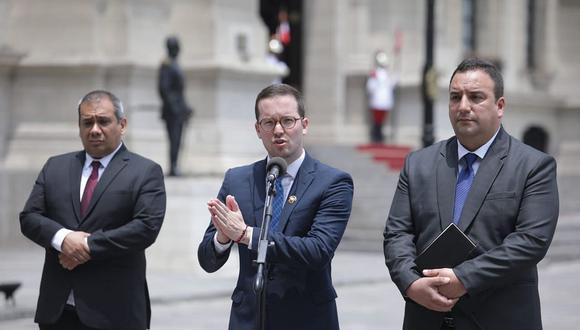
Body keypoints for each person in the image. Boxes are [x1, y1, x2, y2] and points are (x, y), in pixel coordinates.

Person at [383, 58, 559, 330]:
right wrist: (411, 282)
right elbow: (397, 233)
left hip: (499, 319)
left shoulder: (533, 166)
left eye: (476, 97)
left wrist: (464, 278)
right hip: (426, 318)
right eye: (455, 97)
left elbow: (531, 240)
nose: (463, 106)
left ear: (499, 106)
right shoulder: (418, 164)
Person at [197, 83, 354, 330]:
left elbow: (318, 250)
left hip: (306, 318)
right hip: (248, 318)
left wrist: (247, 235)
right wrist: (222, 237)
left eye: (288, 121)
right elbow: (207, 260)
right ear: (258, 129)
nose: (278, 130)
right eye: (269, 123)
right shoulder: (237, 180)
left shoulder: (332, 182)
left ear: (305, 124)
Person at [20, 90, 166, 330]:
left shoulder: (145, 171)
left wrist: (87, 246)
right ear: (79, 127)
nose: (95, 129)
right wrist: (63, 239)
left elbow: (145, 228)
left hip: (116, 312)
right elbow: (30, 218)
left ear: (122, 124)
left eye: (103, 121)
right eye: (87, 122)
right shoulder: (55, 167)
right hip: (58, 312)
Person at [158, 36, 193, 176]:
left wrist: (186, 107)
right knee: (174, 139)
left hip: (179, 109)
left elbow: (179, 92)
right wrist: (176, 108)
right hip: (172, 111)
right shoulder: (166, 65)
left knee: (178, 139)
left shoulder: (175, 64)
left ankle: (175, 165)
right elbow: (164, 89)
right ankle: (173, 166)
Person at [366, 50, 397, 143]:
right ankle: (376, 135)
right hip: (377, 99)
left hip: (385, 99)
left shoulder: (387, 74)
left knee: (381, 120)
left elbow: (391, 84)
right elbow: (370, 86)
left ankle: (379, 135)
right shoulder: (375, 74)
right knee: (377, 120)